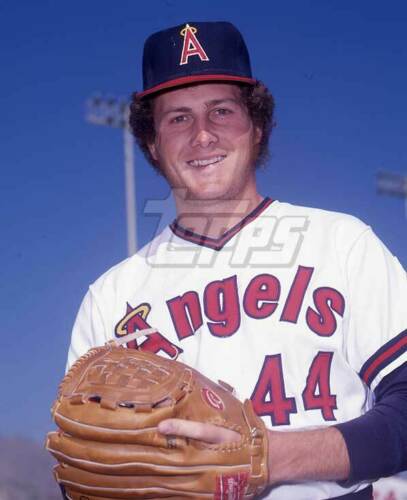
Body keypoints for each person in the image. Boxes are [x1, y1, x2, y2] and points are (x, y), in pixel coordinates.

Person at [67, 21, 407, 499]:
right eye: (178, 118)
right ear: (152, 143)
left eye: (221, 111)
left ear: (257, 126)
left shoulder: (343, 244)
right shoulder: (110, 299)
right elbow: (84, 464)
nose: (202, 135)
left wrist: (270, 457)